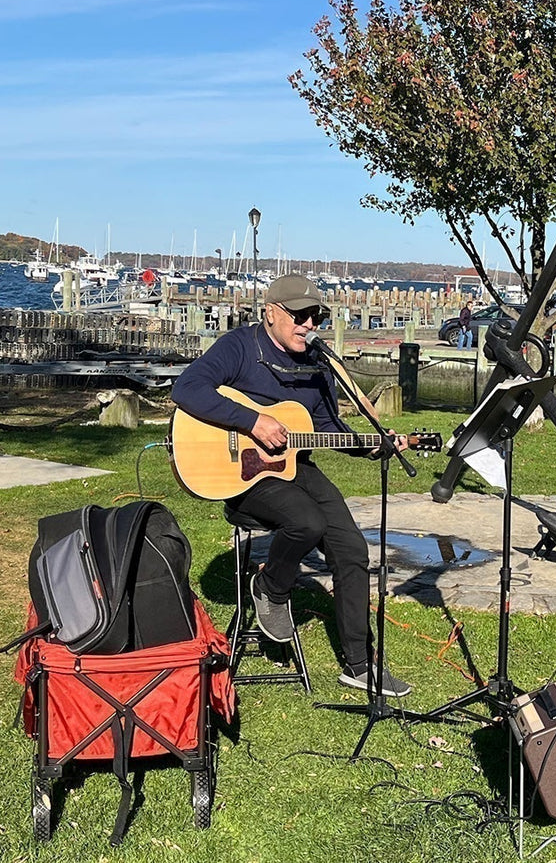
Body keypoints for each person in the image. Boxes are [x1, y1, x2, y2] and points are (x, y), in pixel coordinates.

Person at [171, 274, 412, 697]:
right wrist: (252, 421)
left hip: (292, 465)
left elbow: (326, 427)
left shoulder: (318, 363)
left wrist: (373, 445)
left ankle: (359, 665)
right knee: (306, 521)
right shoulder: (239, 347)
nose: (309, 325)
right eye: (300, 316)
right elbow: (186, 388)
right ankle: (270, 586)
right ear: (271, 313)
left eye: (316, 317)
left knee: (352, 549)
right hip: (240, 475)